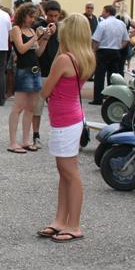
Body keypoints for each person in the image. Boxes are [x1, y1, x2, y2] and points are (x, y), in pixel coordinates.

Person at [38, 13, 95, 243]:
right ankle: (61, 220)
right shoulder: (86, 56)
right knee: (65, 172)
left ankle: (74, 224)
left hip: (65, 120)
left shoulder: (64, 59)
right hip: (71, 118)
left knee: (69, 172)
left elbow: (45, 90)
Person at [7, 3, 42, 154]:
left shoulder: (31, 30)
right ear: (23, 15)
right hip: (23, 70)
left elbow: (38, 53)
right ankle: (13, 142)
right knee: (18, 107)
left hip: (35, 70)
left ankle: (26, 140)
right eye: (30, 16)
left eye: (34, 17)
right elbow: (21, 49)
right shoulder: (16, 29)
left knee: (31, 108)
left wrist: (44, 38)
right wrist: (35, 37)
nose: (32, 20)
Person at [31, 0, 61, 149]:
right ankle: (35, 135)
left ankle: (58, 134)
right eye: (50, 16)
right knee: (37, 107)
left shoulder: (62, 30)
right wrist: (46, 37)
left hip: (56, 73)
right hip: (41, 72)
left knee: (57, 107)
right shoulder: (38, 28)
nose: (53, 19)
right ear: (45, 15)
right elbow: (38, 52)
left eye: (55, 16)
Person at [90, 5, 130, 105]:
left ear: (107, 12)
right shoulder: (121, 24)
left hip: (103, 51)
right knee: (113, 76)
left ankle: (98, 99)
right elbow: (126, 39)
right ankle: (113, 97)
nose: (102, 13)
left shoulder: (103, 23)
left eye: (103, 11)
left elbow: (96, 40)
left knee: (99, 75)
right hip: (116, 51)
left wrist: (94, 51)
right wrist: (119, 47)